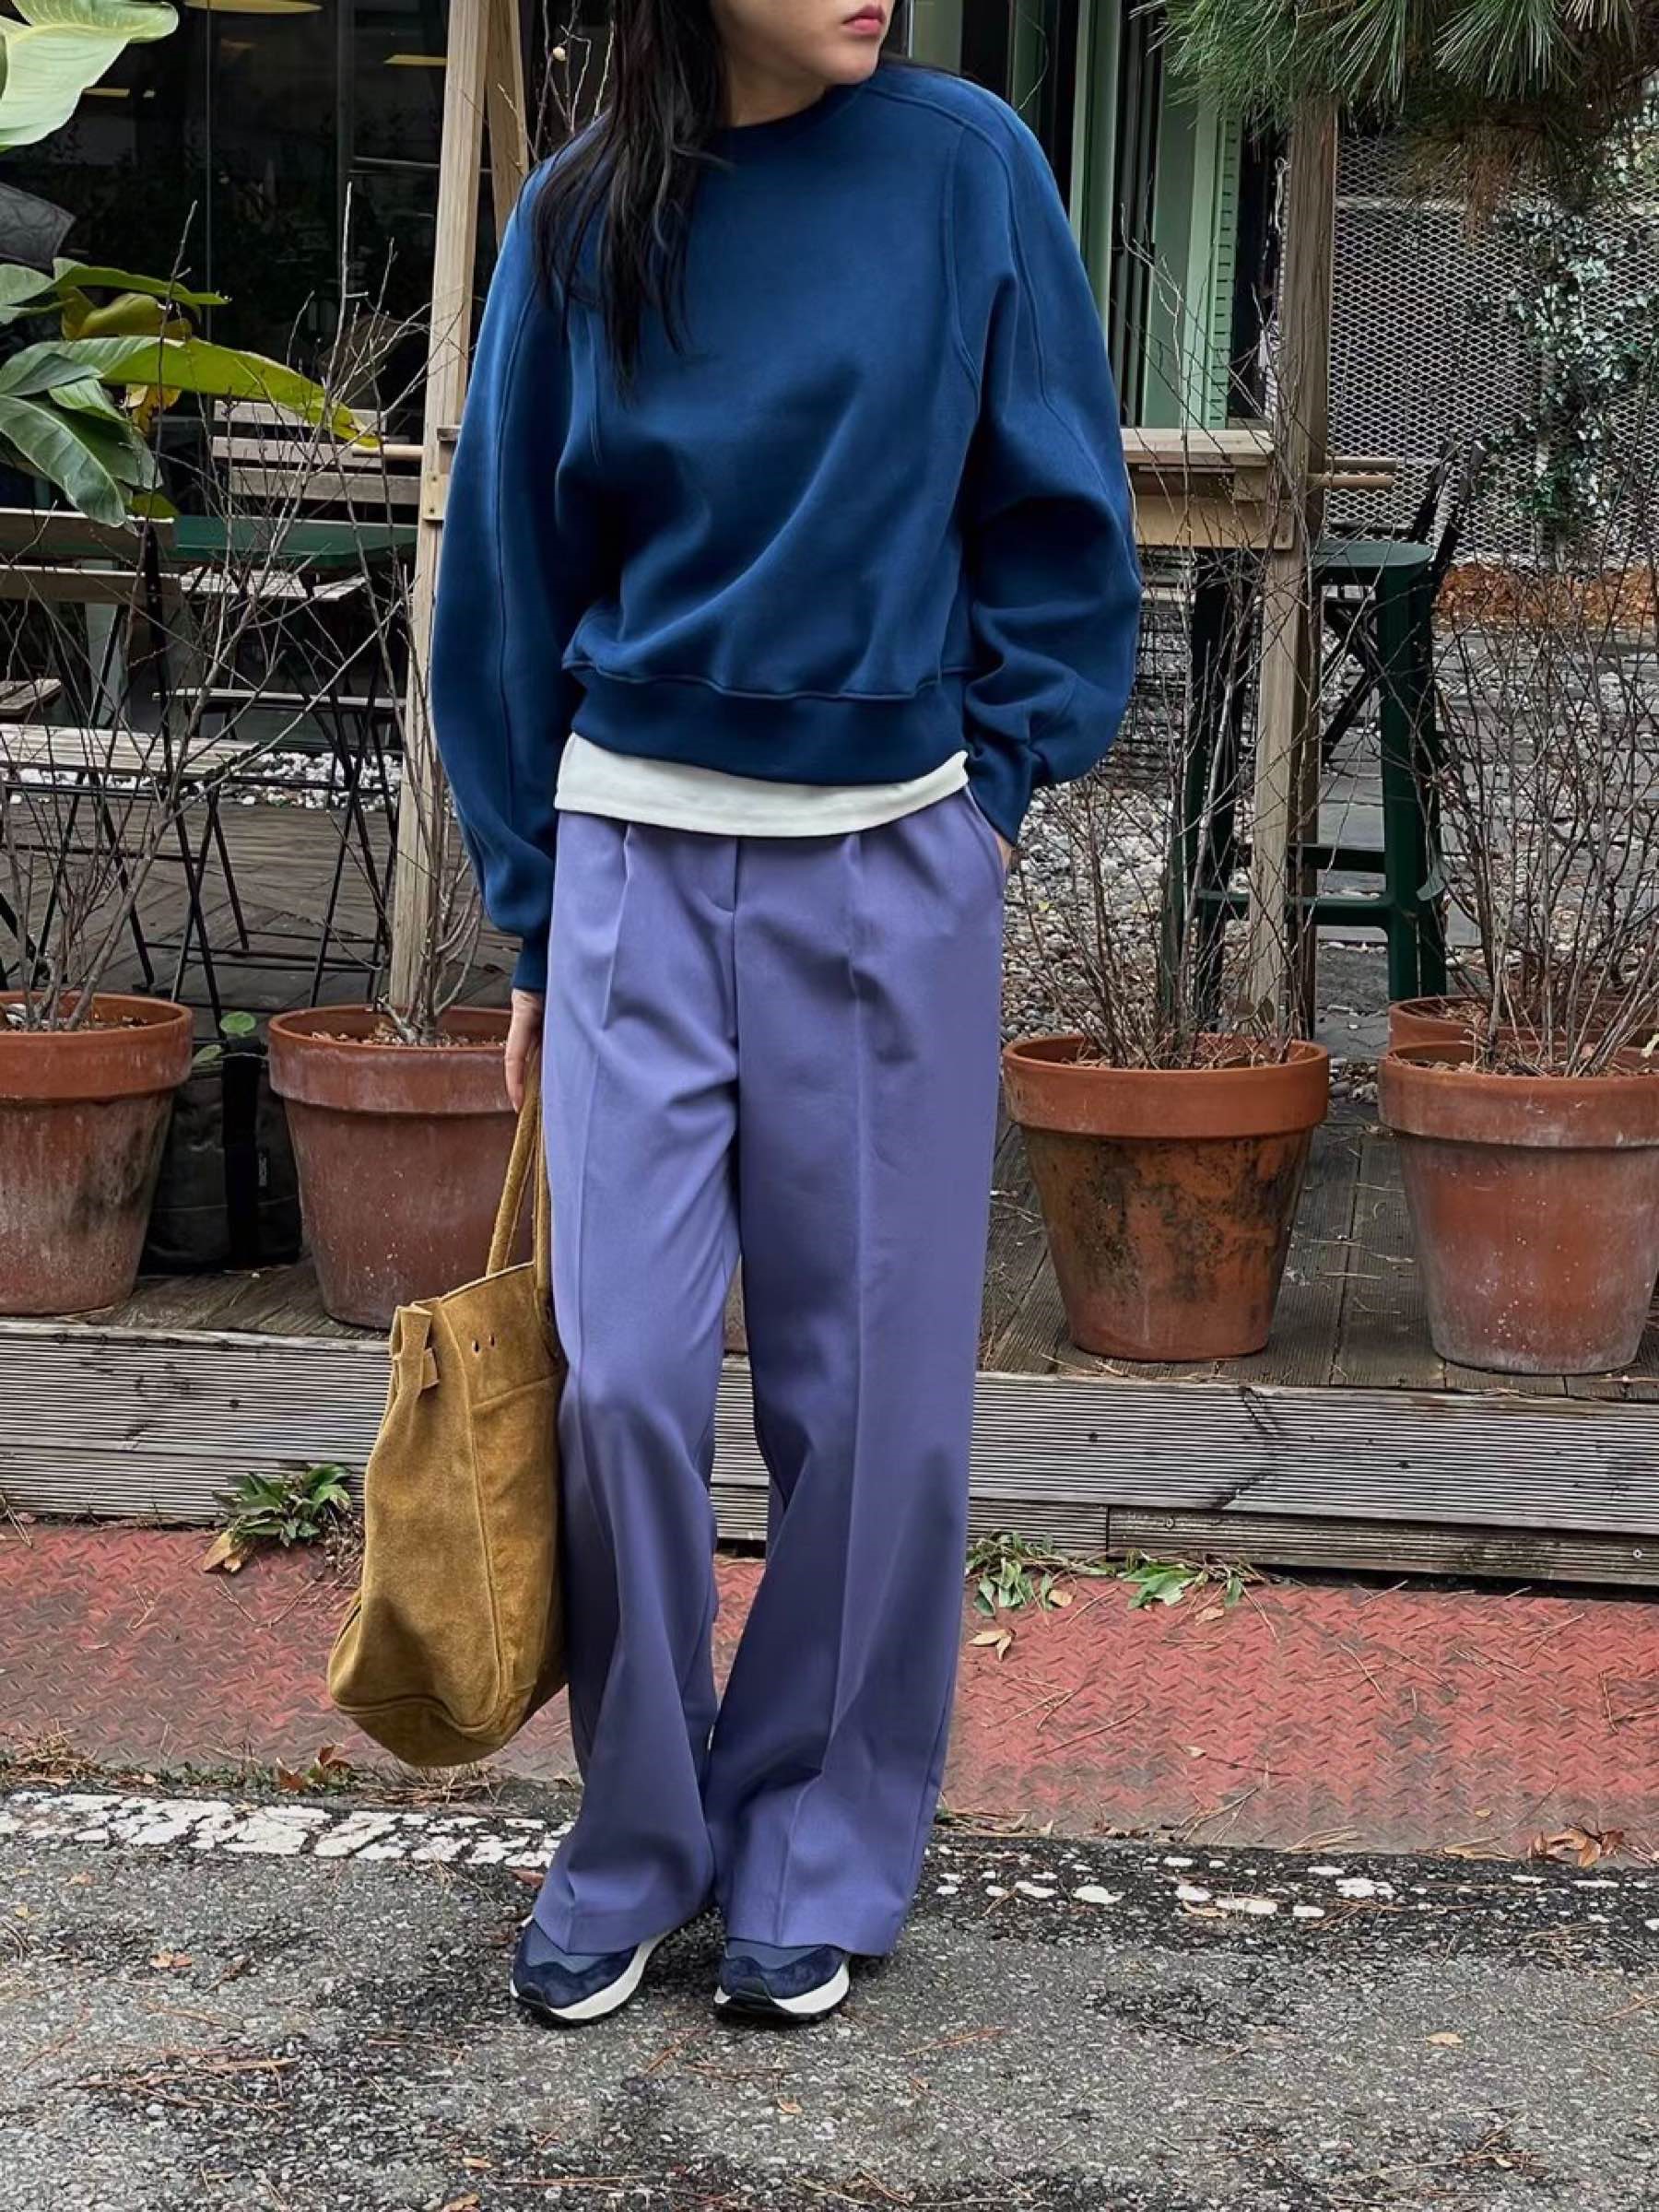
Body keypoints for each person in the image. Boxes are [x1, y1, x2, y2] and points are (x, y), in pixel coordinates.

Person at [430, 0, 1140, 2028]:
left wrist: (987, 789)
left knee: (877, 1415)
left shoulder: (967, 168)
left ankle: (815, 1843)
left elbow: (1057, 515)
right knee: (625, 1381)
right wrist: (534, 930)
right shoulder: (584, 216)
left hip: (890, 864)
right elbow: (508, 582)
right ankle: (639, 1840)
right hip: (632, 871)